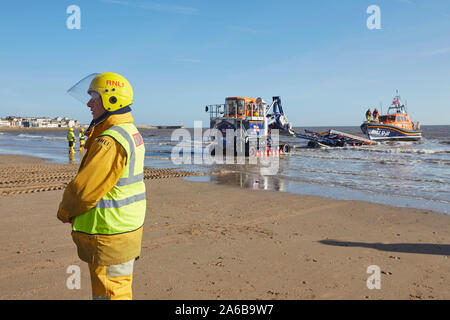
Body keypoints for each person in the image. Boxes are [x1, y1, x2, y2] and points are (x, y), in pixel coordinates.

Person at [57, 72, 146, 300]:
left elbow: (84, 191)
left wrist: (66, 211)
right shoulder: (129, 132)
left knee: (110, 293)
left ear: (112, 100)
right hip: (122, 231)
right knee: (118, 289)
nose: (88, 103)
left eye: (93, 97)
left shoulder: (110, 140)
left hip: (109, 234)